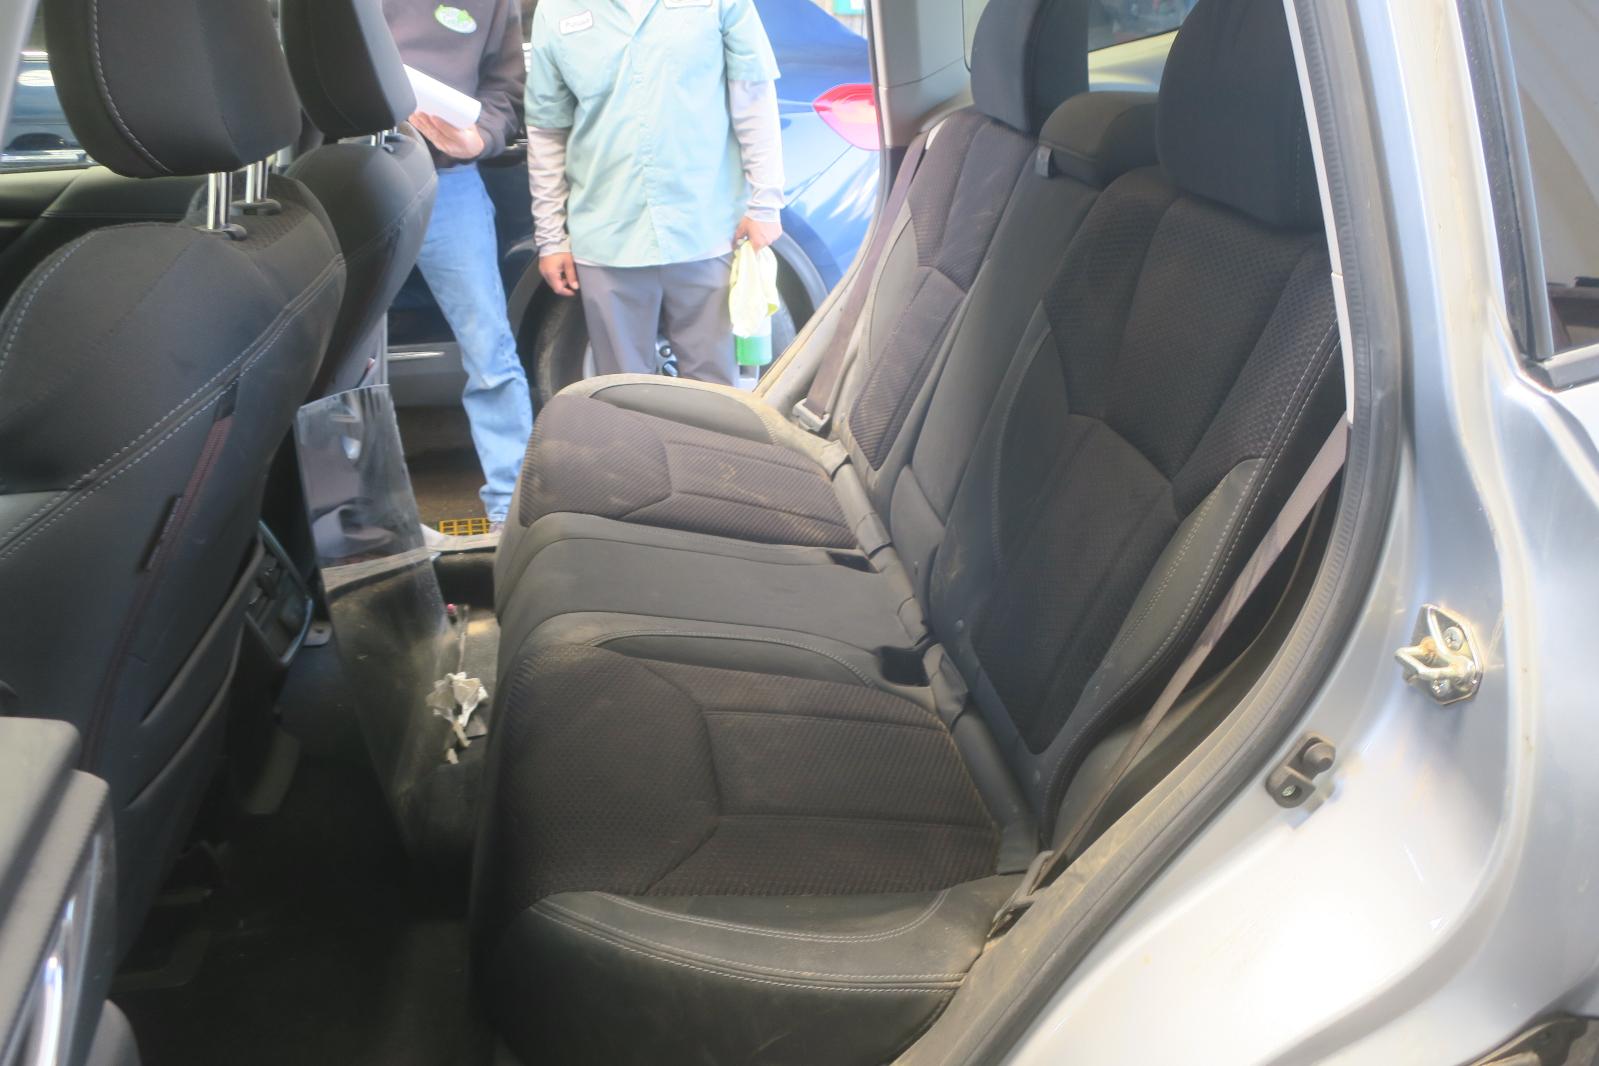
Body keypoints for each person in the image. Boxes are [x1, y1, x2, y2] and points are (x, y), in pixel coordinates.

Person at [524, 0, 784, 387]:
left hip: (707, 229)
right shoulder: (556, 10)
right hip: (606, 235)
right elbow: (546, 131)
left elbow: (754, 99)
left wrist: (766, 204)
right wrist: (551, 237)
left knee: (716, 392)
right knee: (623, 392)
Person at [384, 0, 532, 527]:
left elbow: (505, 91)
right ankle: (367, 522)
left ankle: (511, 513)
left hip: (450, 183)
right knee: (348, 361)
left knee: (490, 350)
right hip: (357, 172)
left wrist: (480, 136)